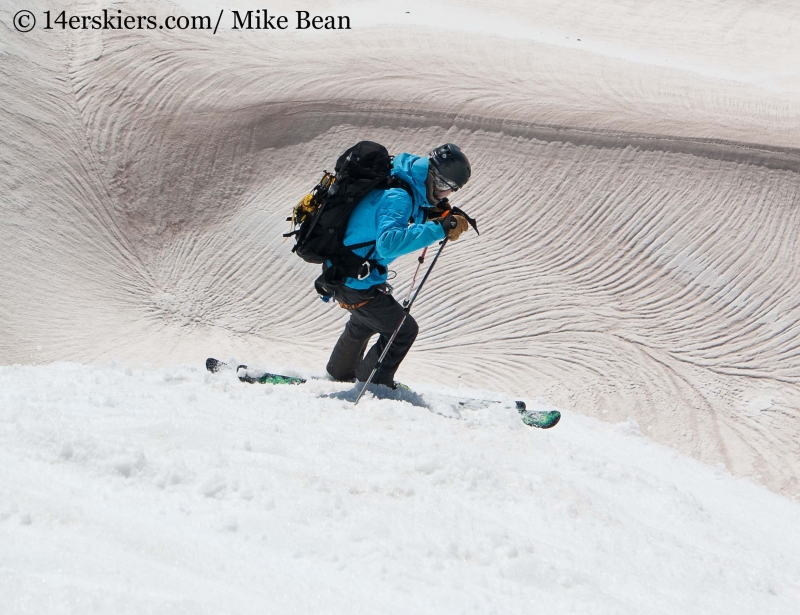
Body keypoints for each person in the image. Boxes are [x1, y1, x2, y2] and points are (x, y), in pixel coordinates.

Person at [321, 143, 472, 388]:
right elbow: (388, 244)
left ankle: (338, 374)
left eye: (450, 191)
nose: (444, 195)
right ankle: (373, 384)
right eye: (445, 187)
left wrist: (436, 217)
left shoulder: (402, 179)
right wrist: (439, 229)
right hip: (353, 279)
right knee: (403, 330)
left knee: (364, 321)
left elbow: (399, 214)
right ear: (434, 177)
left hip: (343, 272)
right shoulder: (399, 196)